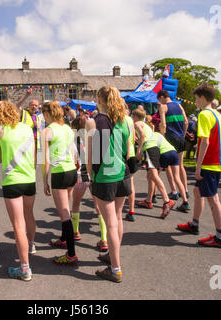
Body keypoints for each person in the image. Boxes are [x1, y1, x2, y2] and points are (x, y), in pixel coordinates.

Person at [86, 86, 131, 283]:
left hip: (105, 176)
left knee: (111, 223)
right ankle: (113, 257)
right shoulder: (124, 121)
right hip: (123, 174)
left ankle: (115, 268)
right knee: (117, 219)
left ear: (99, 99)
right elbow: (127, 152)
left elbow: (91, 156)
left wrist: (90, 176)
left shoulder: (95, 122)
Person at [177, 83, 221, 249]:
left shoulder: (205, 114)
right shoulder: (218, 115)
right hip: (216, 161)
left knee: (213, 199)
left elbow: (204, 142)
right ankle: (195, 223)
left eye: (197, 98)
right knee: (198, 192)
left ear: (203, 98)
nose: (195, 101)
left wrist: (198, 167)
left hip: (209, 163)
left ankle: (220, 236)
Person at [0, 101, 36, 281]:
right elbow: (33, 154)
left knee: (18, 224)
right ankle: (31, 245)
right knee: (29, 215)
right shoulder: (27, 128)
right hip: (29, 177)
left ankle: (25, 268)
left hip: (12, 180)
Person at [42, 101, 79, 266]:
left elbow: (45, 159)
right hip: (71, 171)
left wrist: (44, 180)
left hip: (59, 172)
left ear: (48, 114)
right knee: (66, 210)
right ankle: (64, 239)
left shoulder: (48, 130)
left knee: (64, 214)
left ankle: (71, 254)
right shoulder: (67, 129)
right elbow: (72, 152)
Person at [70, 116, 108, 252]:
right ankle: (104, 238)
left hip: (80, 175)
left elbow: (73, 160)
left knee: (76, 204)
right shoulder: (92, 139)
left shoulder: (73, 141)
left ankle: (75, 231)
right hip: (94, 176)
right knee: (99, 207)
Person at [133, 109, 175, 214]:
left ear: (135, 116)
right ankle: (148, 200)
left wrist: (139, 150)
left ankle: (166, 200)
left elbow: (142, 135)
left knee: (154, 175)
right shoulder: (146, 124)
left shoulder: (137, 123)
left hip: (149, 148)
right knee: (150, 176)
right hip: (154, 147)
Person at [157, 90, 189, 200]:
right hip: (180, 138)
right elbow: (186, 122)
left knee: (169, 166)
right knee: (180, 165)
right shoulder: (179, 106)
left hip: (170, 138)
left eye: (159, 99)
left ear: (162, 97)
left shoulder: (163, 107)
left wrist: (161, 137)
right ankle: (185, 190)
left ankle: (174, 191)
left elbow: (163, 124)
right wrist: (183, 135)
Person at [123, 110, 138, 222]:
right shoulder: (130, 119)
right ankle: (131, 210)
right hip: (131, 152)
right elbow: (134, 136)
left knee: (119, 183)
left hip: (123, 154)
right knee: (130, 182)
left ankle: (116, 211)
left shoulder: (119, 119)